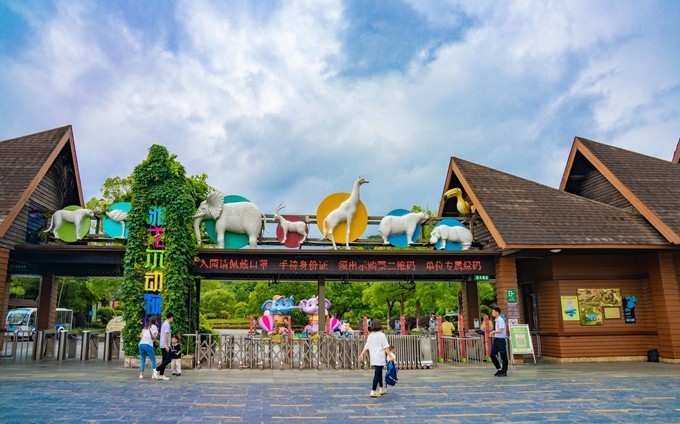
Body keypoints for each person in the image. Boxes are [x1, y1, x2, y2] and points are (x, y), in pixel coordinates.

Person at [358, 318, 390, 398]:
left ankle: (381, 388)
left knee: (379, 373)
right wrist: (390, 355)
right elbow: (385, 347)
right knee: (377, 373)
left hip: (373, 357)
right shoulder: (382, 335)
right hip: (380, 357)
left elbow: (366, 346)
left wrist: (361, 354)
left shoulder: (370, 336)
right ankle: (373, 390)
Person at [154, 312, 174, 381]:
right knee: (168, 360)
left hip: (163, 344)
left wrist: (168, 345)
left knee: (164, 360)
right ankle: (156, 370)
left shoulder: (164, 324)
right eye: (172, 318)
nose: (172, 319)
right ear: (171, 317)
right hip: (164, 345)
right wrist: (167, 345)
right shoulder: (167, 325)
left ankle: (161, 374)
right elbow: (166, 335)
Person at [489, 307, 508, 377]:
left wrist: (493, 332)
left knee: (503, 356)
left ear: (497, 312)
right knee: (492, 354)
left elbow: (500, 331)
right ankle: (499, 369)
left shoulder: (501, 320)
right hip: (496, 339)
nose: (492, 313)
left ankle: (504, 371)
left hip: (501, 340)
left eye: (493, 311)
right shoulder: (496, 320)